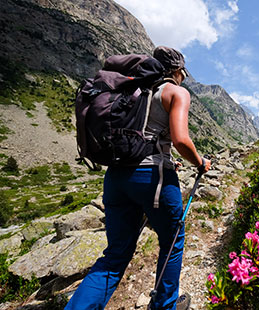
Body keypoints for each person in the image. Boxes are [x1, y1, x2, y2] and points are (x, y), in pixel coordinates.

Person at [65, 46, 211, 310]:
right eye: (183, 74)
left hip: (116, 177)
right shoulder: (176, 92)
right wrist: (200, 162)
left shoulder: (130, 92)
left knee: (116, 254)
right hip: (152, 178)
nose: (183, 79)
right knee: (172, 240)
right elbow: (181, 139)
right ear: (177, 71)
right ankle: (164, 305)